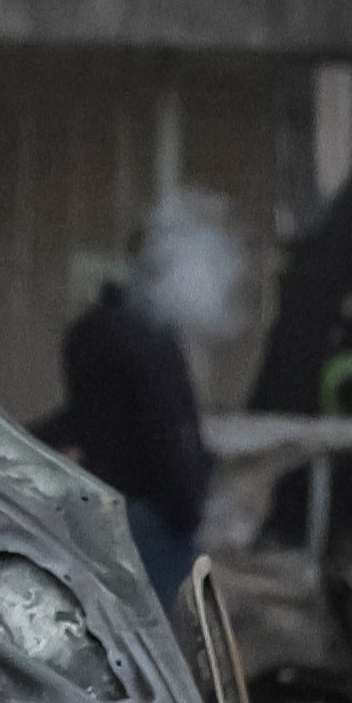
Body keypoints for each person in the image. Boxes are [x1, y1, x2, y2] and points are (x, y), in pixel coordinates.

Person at [57, 193, 235, 605]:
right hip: (152, 516)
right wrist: (189, 507)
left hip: (112, 510)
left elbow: (82, 421)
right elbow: (169, 430)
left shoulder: (92, 331)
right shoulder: (146, 338)